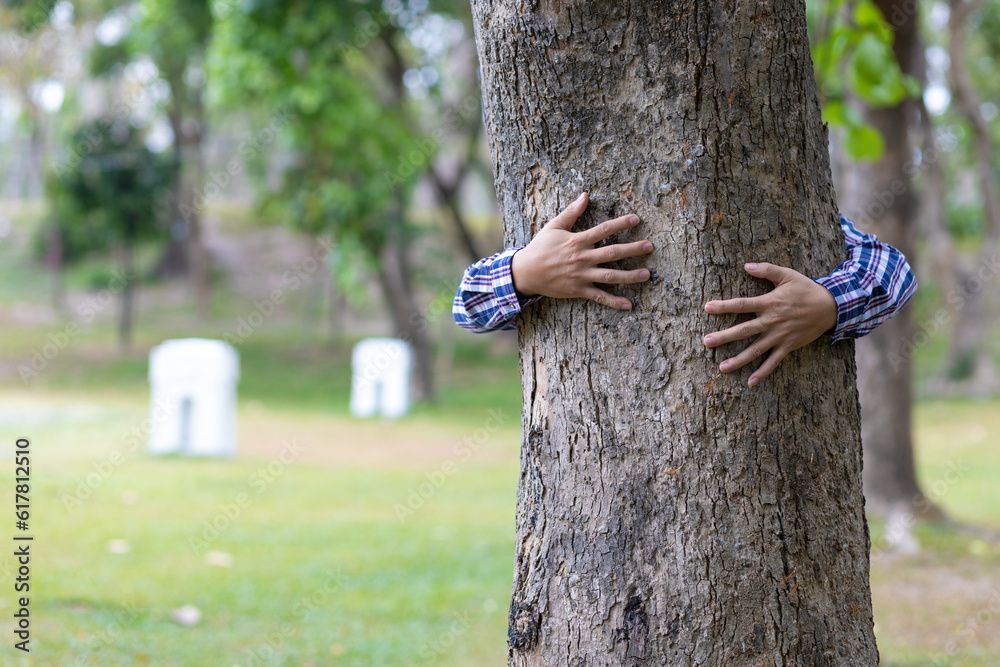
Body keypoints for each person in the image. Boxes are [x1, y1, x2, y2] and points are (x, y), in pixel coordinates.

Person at [453, 192, 916, 387]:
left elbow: (894, 270)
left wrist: (830, 302)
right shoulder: (552, 233)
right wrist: (523, 272)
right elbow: (466, 305)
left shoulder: (796, 207)